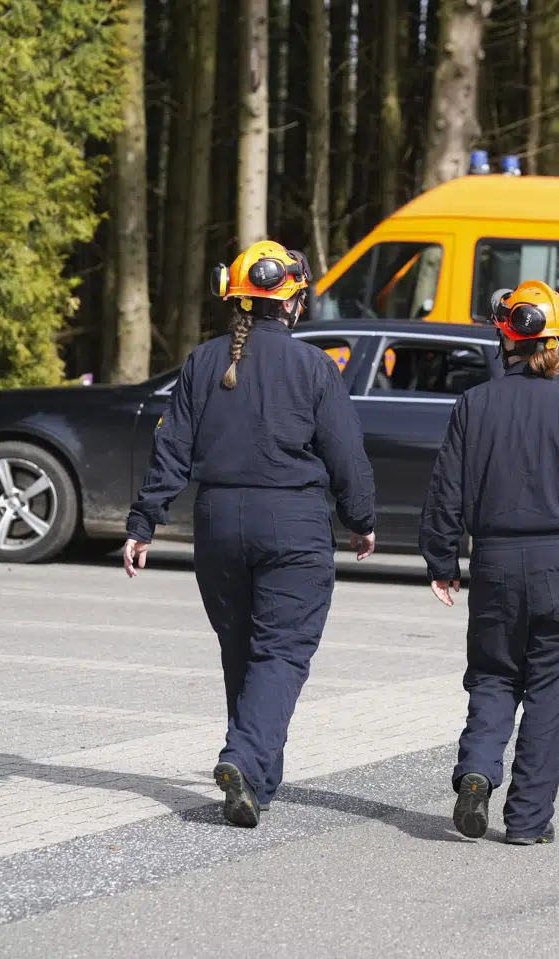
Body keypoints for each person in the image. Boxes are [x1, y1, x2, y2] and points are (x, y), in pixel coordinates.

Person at [122, 240, 377, 829]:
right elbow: (346, 455)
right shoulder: (315, 367)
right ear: (292, 303)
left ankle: (255, 780)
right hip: (292, 525)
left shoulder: (203, 362)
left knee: (242, 652)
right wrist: (360, 518)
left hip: (217, 524)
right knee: (281, 652)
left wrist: (144, 523)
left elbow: (172, 449)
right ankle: (241, 757)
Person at [419, 279, 559, 845]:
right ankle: (528, 820)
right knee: (552, 693)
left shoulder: (475, 404)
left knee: (492, 675)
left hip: (495, 566)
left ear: (503, 336)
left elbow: (446, 491)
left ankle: (478, 772)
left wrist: (442, 560)